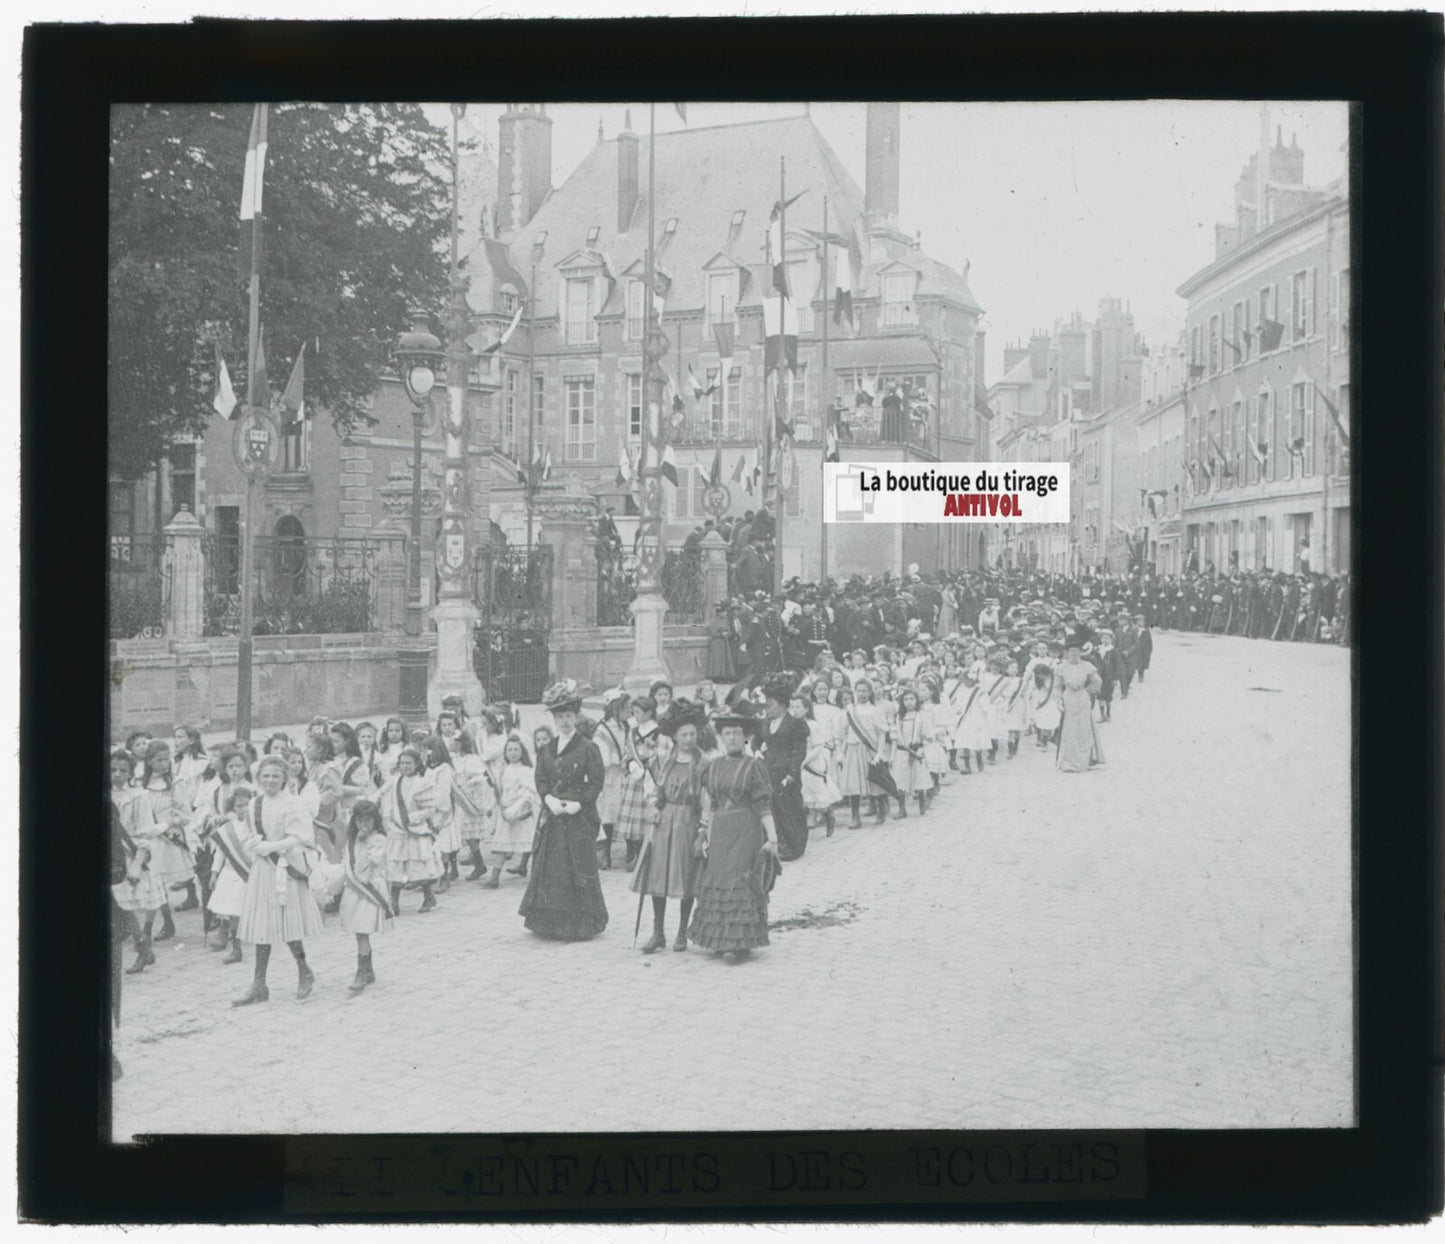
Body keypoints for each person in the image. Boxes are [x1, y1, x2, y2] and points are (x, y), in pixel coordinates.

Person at [231, 754, 324, 1006]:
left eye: (275, 776)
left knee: (288, 924)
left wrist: (272, 845)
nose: (270, 780)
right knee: (263, 924)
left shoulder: (294, 804)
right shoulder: (254, 804)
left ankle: (304, 971)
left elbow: (301, 837)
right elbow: (248, 833)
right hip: (264, 870)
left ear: (284, 778)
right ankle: (259, 984)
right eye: (265, 776)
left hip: (286, 868)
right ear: (258, 778)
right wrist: (253, 844)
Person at [519, 681, 609, 942]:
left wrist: (580, 803)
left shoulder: (587, 747)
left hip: (577, 817)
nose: (565, 721)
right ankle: (549, 922)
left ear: (576, 716)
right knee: (552, 868)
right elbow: (541, 779)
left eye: (569, 715)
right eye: (560, 716)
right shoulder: (548, 748)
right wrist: (548, 798)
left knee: (576, 866)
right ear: (555, 719)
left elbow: (596, 781)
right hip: (554, 816)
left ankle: (579, 923)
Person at [688, 709, 780, 962]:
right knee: (718, 879)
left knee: (739, 882)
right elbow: (710, 804)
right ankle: (718, 939)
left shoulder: (754, 766)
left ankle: (740, 942)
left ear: (746, 737)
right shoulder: (713, 766)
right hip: (720, 831)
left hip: (745, 828)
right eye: (727, 733)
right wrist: (704, 832)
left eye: (737, 733)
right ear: (721, 737)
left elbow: (763, 804)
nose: (732, 738)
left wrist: (772, 838)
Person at [631, 701, 708, 953]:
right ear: (674, 735)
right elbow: (651, 786)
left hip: (688, 820)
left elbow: (708, 800)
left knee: (686, 877)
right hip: (664, 820)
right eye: (684, 734)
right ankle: (657, 932)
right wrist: (654, 805)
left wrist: (703, 830)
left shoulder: (703, 762)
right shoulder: (664, 760)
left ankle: (682, 931)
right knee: (659, 876)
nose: (688, 739)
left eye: (692, 734)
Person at [339, 799, 394, 993]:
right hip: (355, 891)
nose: (363, 825)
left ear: (375, 821)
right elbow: (347, 863)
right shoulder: (351, 839)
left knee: (363, 932)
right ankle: (368, 970)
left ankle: (362, 973)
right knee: (358, 932)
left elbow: (365, 866)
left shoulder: (379, 839)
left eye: (368, 820)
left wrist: (362, 841)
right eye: (359, 820)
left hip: (370, 890)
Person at [381, 746, 440, 915]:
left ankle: (428, 895)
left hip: (415, 829)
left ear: (417, 764)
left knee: (418, 863)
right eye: (402, 763)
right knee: (395, 864)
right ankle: (394, 901)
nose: (405, 766)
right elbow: (382, 795)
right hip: (397, 830)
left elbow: (430, 808)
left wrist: (412, 817)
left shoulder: (423, 784)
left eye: (409, 763)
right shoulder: (394, 781)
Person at [758, 679, 809, 859]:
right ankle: (780, 844)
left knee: (790, 809)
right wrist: (756, 751)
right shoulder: (766, 722)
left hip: (787, 773)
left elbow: (800, 751)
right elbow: (753, 740)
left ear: (782, 704)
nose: (768, 708)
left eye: (771, 705)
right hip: (769, 771)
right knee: (774, 808)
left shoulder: (795, 723)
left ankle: (795, 846)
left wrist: (792, 773)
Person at [486, 734, 538, 889]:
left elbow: (527, 793)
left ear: (522, 751)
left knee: (529, 844)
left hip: (521, 813)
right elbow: (499, 791)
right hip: (505, 813)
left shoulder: (526, 770)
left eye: (516, 749)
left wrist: (515, 809)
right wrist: (496, 807)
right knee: (502, 845)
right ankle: (494, 877)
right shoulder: (503, 769)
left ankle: (536, 876)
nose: (513, 753)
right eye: (509, 750)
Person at [592, 690, 630, 869]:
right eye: (625, 707)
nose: (628, 710)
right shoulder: (603, 729)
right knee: (606, 813)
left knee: (619, 812)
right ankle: (603, 853)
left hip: (622, 774)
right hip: (608, 776)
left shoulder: (626, 727)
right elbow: (602, 757)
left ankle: (625, 851)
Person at [1055, 643, 1106, 773]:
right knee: (1070, 729)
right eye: (1071, 651)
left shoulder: (1087, 666)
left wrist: (1087, 691)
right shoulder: (1061, 667)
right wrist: (1058, 700)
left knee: (1084, 729)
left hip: (1082, 698)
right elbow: (1057, 686)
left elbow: (1097, 681)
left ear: (1081, 653)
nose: (1074, 654)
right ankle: (1068, 762)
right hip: (1068, 699)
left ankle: (1085, 760)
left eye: (1077, 651)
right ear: (1066, 653)